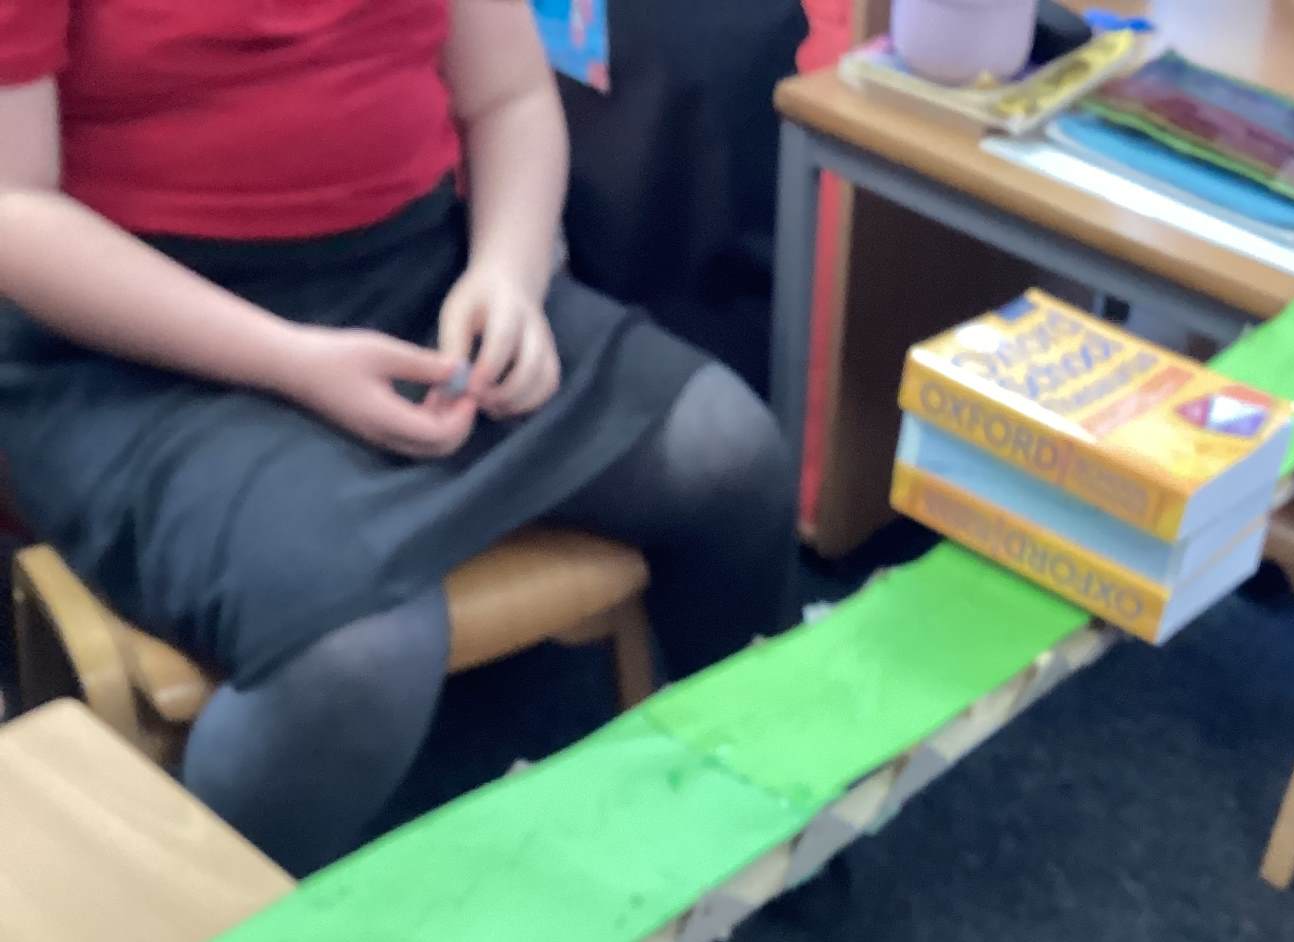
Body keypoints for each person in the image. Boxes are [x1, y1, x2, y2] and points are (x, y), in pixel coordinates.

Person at [0, 0, 797, 875]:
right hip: (136, 350)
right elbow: (13, 209)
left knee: (728, 453)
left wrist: (508, 274)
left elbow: (510, 97)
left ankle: (753, 818)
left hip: (412, 282)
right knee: (357, 654)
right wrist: (292, 362)